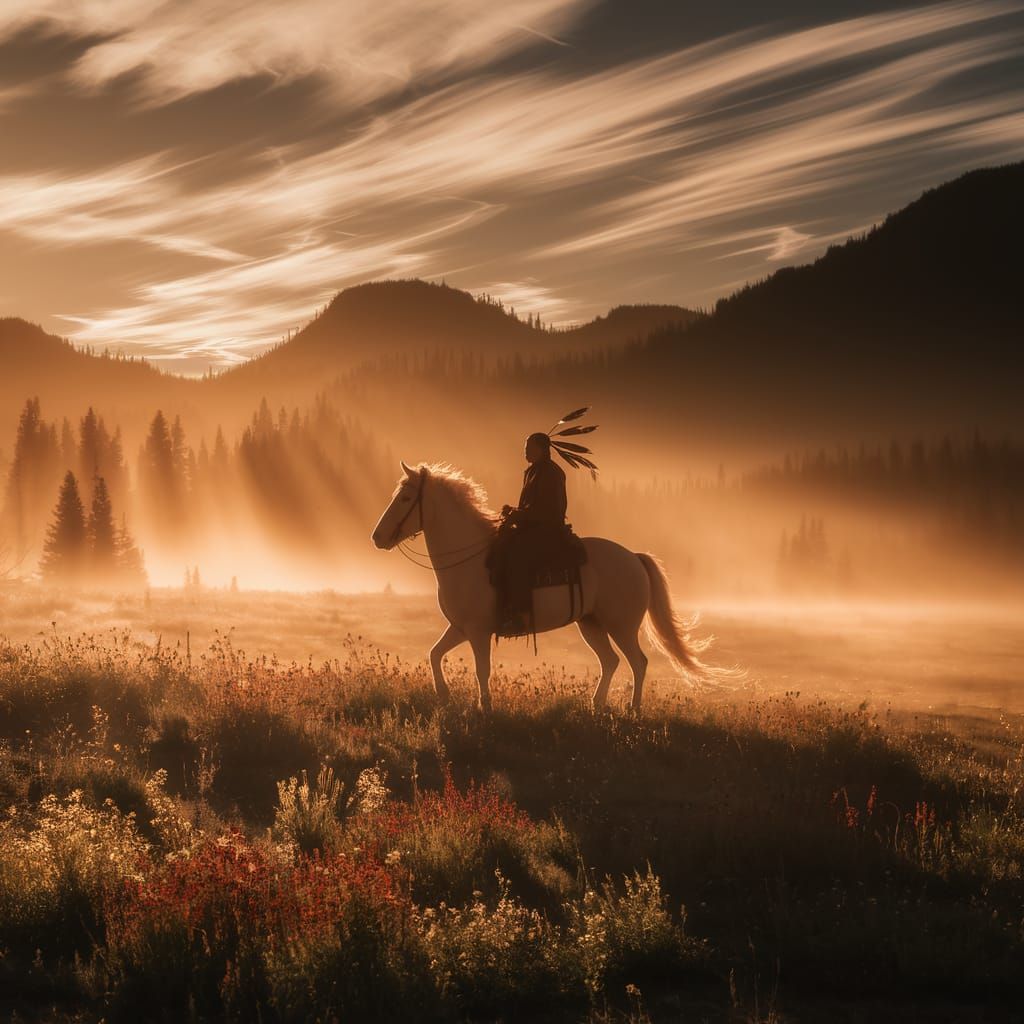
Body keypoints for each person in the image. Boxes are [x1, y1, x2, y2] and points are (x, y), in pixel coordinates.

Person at [491, 432, 568, 636]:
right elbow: (531, 506)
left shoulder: (552, 473)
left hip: (548, 531)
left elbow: (549, 510)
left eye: (529, 448)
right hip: (533, 528)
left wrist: (518, 515)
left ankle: (520, 615)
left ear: (542, 449)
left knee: (518, 558)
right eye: (525, 448)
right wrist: (514, 512)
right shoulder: (532, 471)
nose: (525, 452)